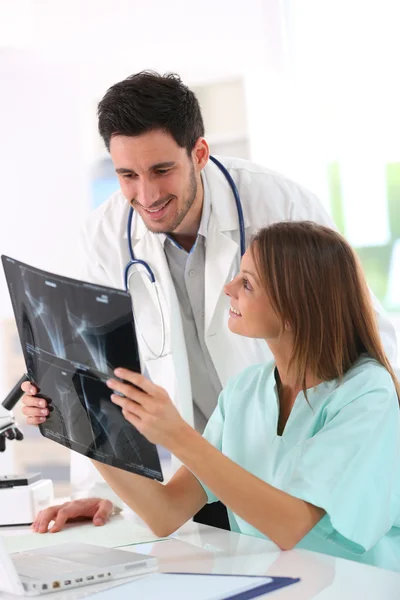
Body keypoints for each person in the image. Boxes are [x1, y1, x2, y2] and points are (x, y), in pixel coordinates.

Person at [21, 71, 397, 531]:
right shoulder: (243, 398)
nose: (147, 194)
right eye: (127, 175)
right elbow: (163, 508)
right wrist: (78, 429)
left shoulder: (278, 205)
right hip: (208, 474)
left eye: (162, 170)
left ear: (198, 153)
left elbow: (356, 321)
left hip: (298, 497)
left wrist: (378, 444)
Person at [30, 222, 400, 570]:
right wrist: (79, 418)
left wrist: (176, 434)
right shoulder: (245, 390)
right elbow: (165, 513)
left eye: (248, 283)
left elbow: (293, 527)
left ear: (294, 308)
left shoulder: (367, 394)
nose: (228, 288)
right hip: (280, 582)